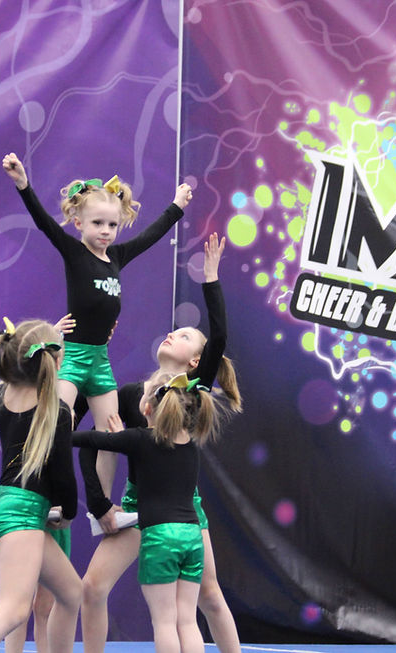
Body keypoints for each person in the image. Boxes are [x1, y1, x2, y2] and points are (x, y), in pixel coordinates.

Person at [77, 233, 243, 653]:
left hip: (185, 508)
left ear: (193, 362)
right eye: (174, 330)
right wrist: (99, 505)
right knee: (93, 587)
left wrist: (210, 278)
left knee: (209, 596)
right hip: (137, 504)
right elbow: (92, 441)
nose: (173, 334)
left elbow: (219, 337)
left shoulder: (193, 388)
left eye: (185, 335)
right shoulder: (132, 395)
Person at [2, 152, 193, 504]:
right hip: (73, 357)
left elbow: (151, 235)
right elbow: (44, 223)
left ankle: (102, 508)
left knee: (112, 433)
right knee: (57, 425)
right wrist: (23, 184)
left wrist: (176, 206)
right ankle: (49, 496)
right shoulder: (75, 254)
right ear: (78, 223)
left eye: (112, 225)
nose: (105, 232)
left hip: (100, 361)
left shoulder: (117, 258)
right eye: (97, 224)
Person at [73, 369, 225, 653]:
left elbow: (93, 441)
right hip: (192, 536)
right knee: (187, 621)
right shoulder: (190, 445)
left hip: (160, 537)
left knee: (165, 622)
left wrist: (61, 433)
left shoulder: (139, 439)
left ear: (146, 408)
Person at [0, 318, 81, 653]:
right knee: (12, 611)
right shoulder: (57, 411)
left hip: (14, 509)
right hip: (21, 514)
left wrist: (4, 384)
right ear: (54, 362)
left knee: (71, 593)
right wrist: (67, 513)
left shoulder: (5, 398)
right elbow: (64, 477)